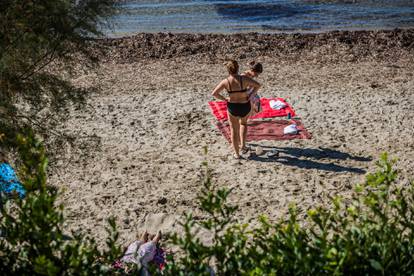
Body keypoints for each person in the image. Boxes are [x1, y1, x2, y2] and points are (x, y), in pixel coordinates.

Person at [212, 60, 261, 159]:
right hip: (245, 105)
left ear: (228, 70)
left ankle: (237, 154)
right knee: (243, 124)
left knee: (233, 130)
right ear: (238, 68)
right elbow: (258, 85)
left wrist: (225, 99)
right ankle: (243, 146)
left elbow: (214, 93)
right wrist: (251, 95)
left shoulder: (226, 81)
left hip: (233, 107)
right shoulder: (244, 78)